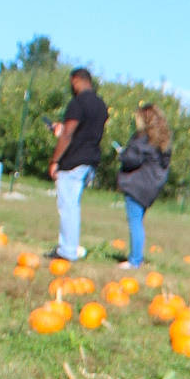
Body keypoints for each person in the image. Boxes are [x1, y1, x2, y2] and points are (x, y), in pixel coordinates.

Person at [48, 67, 109, 262]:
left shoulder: (78, 103)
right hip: (90, 160)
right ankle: (67, 246)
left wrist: (55, 160)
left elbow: (68, 134)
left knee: (68, 206)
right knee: (72, 204)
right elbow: (87, 132)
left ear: (76, 80)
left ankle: (67, 250)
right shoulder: (101, 105)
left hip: (73, 161)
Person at [116, 104, 172, 269]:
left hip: (136, 185)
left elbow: (131, 160)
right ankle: (136, 257)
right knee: (138, 221)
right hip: (151, 187)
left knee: (134, 222)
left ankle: (135, 260)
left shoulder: (141, 139)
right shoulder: (163, 141)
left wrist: (122, 154)